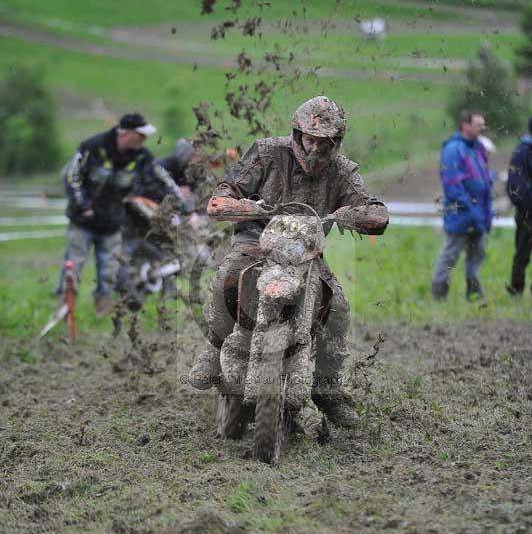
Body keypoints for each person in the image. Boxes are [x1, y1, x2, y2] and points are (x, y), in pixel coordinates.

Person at [188, 96, 389, 429]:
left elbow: (376, 211)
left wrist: (350, 214)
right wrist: (246, 207)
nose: (314, 148)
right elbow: (222, 195)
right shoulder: (267, 153)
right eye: (310, 139)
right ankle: (213, 347)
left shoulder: (344, 171)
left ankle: (327, 389)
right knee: (229, 275)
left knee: (337, 308)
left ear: (336, 143)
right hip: (255, 243)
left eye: (324, 143)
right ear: (297, 134)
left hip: (307, 253)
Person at [57, 113, 183, 315]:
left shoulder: (143, 156)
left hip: (113, 222)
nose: (144, 140)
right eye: (140, 135)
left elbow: (164, 179)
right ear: (126, 133)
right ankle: (64, 306)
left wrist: (178, 201)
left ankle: (102, 310)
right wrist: (83, 205)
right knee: (74, 264)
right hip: (83, 220)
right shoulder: (92, 147)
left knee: (109, 269)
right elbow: (72, 176)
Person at [431, 110, 493, 300]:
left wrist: (485, 211)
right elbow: (452, 185)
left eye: (483, 125)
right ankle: (439, 296)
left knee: (477, 256)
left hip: (479, 213)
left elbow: (485, 180)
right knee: (450, 256)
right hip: (460, 213)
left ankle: (474, 295)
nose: (482, 128)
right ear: (465, 125)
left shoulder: (478, 148)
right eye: (478, 125)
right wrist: (471, 208)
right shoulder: (453, 149)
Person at [506, 117, 532, 296]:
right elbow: (515, 184)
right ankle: (517, 289)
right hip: (526, 211)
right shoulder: (523, 150)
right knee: (522, 251)